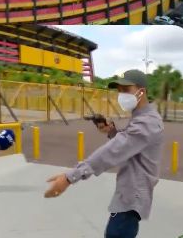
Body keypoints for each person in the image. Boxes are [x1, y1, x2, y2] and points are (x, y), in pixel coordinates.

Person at [45, 69, 164, 238]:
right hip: (129, 194)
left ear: (141, 91)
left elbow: (115, 150)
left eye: (126, 90)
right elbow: (131, 146)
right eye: (119, 91)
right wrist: (112, 132)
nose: (121, 95)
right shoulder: (142, 118)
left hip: (132, 198)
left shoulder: (148, 122)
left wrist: (70, 177)